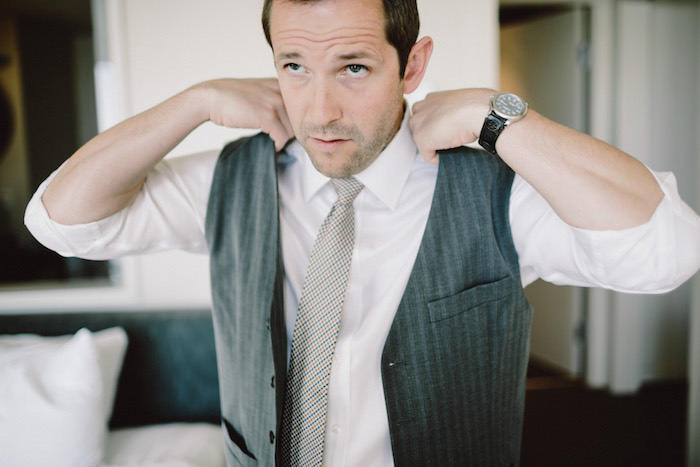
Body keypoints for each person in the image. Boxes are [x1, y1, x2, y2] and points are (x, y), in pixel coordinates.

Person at [25, 0, 700, 465]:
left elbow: (667, 251)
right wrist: (194, 102)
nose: (319, 110)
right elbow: (59, 221)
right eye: (294, 66)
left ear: (410, 65)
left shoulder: (492, 188)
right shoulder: (230, 179)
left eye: (352, 67)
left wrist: (492, 114)